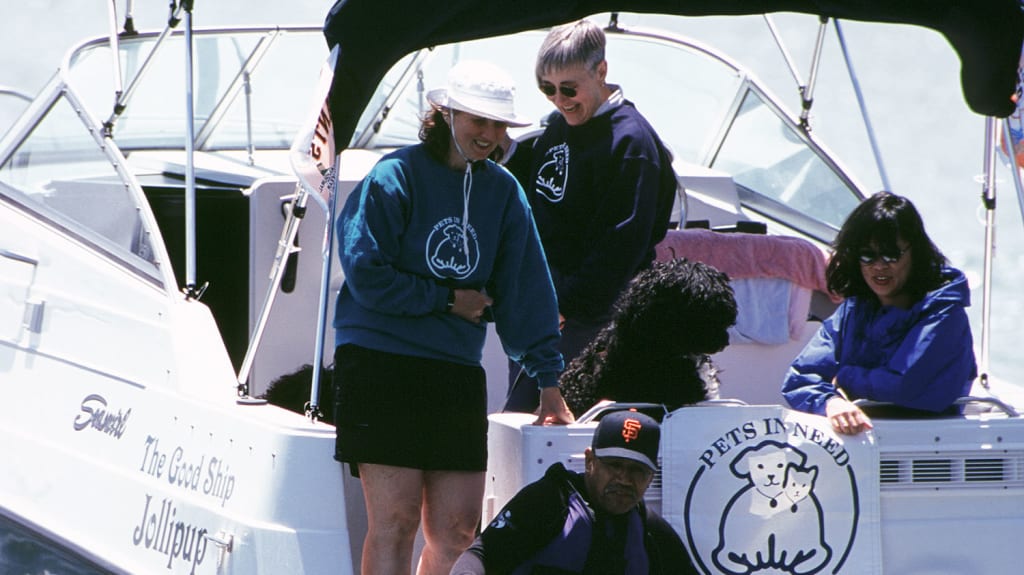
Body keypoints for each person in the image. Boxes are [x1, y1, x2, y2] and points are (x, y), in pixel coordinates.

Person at [332, 60, 575, 575]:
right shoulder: (393, 177)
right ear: (445, 114)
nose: (490, 135)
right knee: (395, 521)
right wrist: (447, 301)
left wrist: (549, 384)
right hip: (381, 364)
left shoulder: (504, 192)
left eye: (499, 125)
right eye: (477, 121)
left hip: (454, 372)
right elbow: (365, 274)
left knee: (457, 530)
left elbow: (526, 290)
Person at [505, 19, 678, 413]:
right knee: (517, 426)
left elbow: (622, 244)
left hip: (590, 317)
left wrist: (564, 304)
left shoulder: (631, 143)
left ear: (601, 71)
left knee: (552, 426)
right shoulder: (558, 127)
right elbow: (540, 197)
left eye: (569, 88)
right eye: (547, 89)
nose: (558, 99)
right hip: (546, 309)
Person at [781, 191, 977, 435]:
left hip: (928, 446)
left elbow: (904, 385)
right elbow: (799, 378)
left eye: (891, 254)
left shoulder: (946, 315)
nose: (879, 265)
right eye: (867, 255)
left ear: (915, 252)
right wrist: (831, 403)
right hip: (863, 444)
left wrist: (844, 377)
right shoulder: (853, 310)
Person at [450, 410, 698, 574]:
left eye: (637, 471)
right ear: (590, 461)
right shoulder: (548, 501)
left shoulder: (650, 530)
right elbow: (481, 555)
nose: (624, 479)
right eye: (614, 465)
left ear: (651, 477)